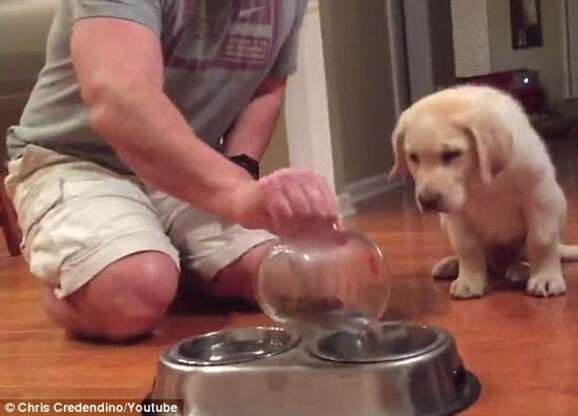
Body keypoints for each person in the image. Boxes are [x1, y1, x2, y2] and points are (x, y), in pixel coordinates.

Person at [4, 0, 338, 342]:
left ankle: (165, 261)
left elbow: (267, 86)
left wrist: (240, 171)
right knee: (132, 288)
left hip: (185, 167)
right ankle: (79, 285)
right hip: (74, 160)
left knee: (286, 277)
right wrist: (236, 194)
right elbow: (118, 99)